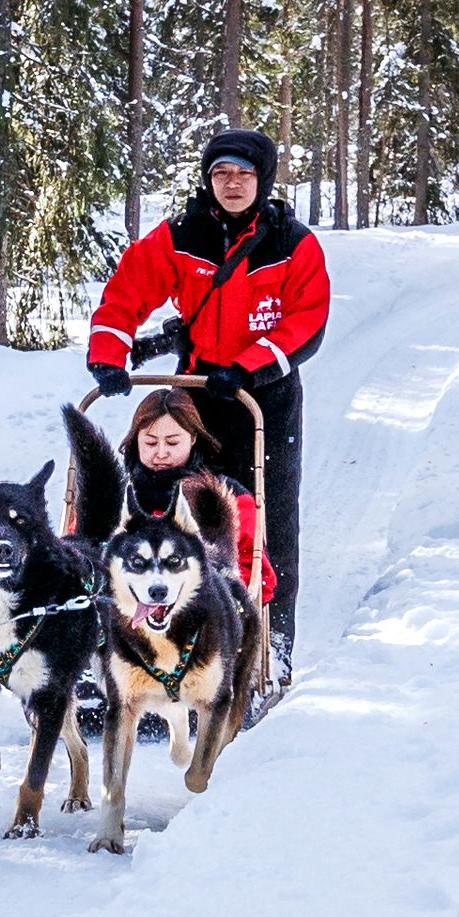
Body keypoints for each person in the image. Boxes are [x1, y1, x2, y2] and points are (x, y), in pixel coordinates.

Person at [85, 129, 328, 676]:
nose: (233, 184)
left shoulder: (291, 242)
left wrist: (247, 365)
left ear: (262, 180)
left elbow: (306, 321)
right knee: (178, 517)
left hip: (263, 399)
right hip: (196, 397)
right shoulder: (181, 235)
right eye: (221, 173)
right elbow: (126, 292)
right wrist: (110, 352)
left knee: (265, 524)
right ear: (208, 179)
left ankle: (272, 646)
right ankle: (163, 651)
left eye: (244, 174)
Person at [117, 386, 273, 609]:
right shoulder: (116, 495)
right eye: (150, 442)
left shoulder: (226, 496)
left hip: (205, 618)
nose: (161, 453)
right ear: (135, 441)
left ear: (193, 439)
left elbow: (257, 577)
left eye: (172, 442)